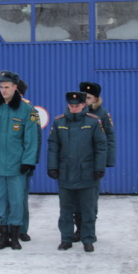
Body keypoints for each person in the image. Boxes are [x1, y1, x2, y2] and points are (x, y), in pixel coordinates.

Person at [0, 70, 39, 250]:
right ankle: (3, 234)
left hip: (16, 165)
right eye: (1, 87)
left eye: (7, 87)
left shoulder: (26, 110)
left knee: (16, 201)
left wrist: (28, 162)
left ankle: (15, 235)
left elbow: (31, 139)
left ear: (15, 88)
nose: (3, 90)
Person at [47, 91, 107, 252]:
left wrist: (99, 168)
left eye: (77, 106)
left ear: (83, 105)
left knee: (87, 209)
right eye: (71, 106)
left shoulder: (93, 122)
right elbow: (53, 146)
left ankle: (87, 239)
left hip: (87, 173)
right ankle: (66, 239)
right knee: (66, 209)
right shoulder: (59, 122)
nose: (73, 109)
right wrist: (52, 166)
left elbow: (101, 147)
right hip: (65, 173)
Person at [74, 81, 116, 243]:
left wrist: (106, 161)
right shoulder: (76, 112)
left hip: (93, 163)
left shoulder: (103, 114)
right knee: (76, 197)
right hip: (76, 162)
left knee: (90, 198)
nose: (86, 100)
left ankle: (89, 229)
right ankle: (78, 228)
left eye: (89, 97)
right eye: (84, 97)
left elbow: (110, 138)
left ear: (96, 99)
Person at [17, 79, 42, 243]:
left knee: (20, 198)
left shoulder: (30, 111)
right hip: (4, 162)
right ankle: (7, 228)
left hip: (22, 163)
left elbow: (35, 139)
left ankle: (21, 229)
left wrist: (31, 162)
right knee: (4, 198)